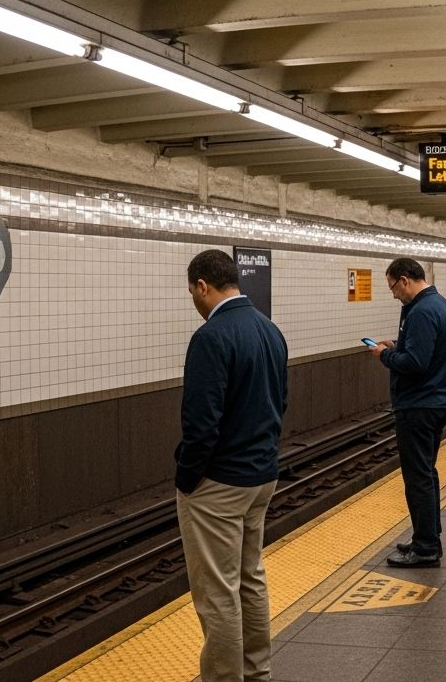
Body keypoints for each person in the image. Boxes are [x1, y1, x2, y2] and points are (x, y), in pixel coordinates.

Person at [176, 249, 288, 682]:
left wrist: (188, 478)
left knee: (218, 591)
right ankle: (256, 670)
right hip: (262, 475)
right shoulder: (269, 330)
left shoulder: (211, 337)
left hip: (220, 483)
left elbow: (201, 423)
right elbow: (280, 402)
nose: (194, 300)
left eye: (192, 292)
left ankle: (224, 677)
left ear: (203, 285)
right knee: (249, 577)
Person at [370, 258, 446, 568]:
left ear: (405, 280)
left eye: (393, 287)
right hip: (435, 401)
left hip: (419, 404)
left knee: (418, 477)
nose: (394, 294)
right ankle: (427, 535)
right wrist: (399, 344)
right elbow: (425, 351)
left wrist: (385, 355)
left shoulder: (421, 310)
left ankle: (426, 548)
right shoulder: (440, 305)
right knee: (426, 473)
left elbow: (415, 364)